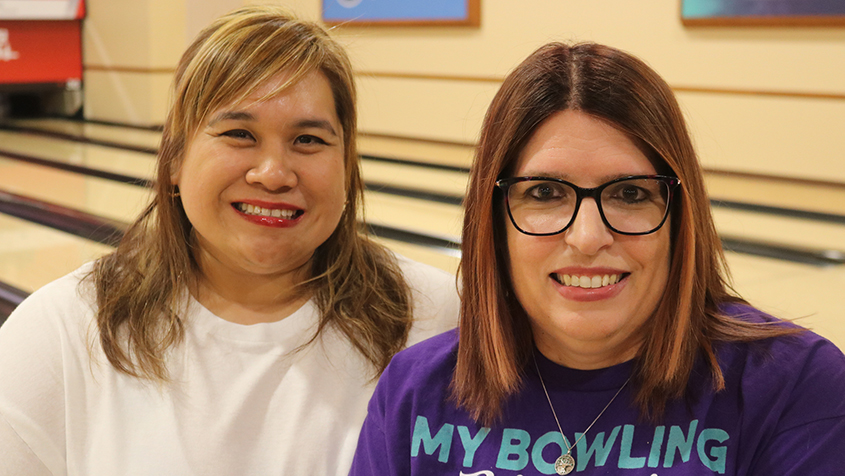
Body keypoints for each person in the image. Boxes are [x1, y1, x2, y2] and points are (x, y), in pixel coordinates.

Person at [348, 42, 845, 475]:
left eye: (630, 194)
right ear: (493, 219)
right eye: (544, 193)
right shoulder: (415, 393)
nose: (588, 238)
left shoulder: (794, 386)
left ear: (679, 216)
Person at [0, 6, 458, 475]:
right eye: (239, 134)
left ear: (347, 165)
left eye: (308, 140)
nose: (274, 174)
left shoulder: (438, 319)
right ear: (175, 158)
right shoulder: (57, 334)